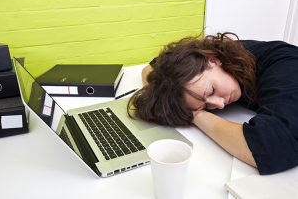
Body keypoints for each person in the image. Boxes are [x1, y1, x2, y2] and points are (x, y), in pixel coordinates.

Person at [127, 32, 298, 175]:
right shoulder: (205, 61)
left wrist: (198, 115)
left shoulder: (285, 68)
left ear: (214, 60)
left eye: (211, 91)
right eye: (205, 105)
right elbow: (150, 69)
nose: (220, 105)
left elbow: (273, 147)